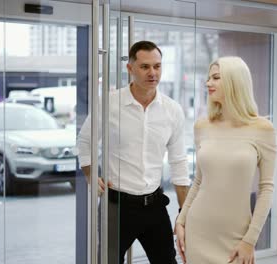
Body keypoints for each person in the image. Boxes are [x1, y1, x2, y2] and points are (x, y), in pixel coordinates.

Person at [77, 40, 191, 264]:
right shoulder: (109, 104)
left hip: (155, 205)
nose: (152, 73)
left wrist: (183, 212)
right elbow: (85, 140)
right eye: (145, 66)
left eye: (157, 66)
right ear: (130, 69)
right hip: (116, 208)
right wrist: (91, 174)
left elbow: (179, 162)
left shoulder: (172, 110)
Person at [174, 56, 277, 264]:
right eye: (208, 78)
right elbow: (199, 182)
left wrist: (250, 240)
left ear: (234, 81)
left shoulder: (263, 129)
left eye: (216, 77)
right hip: (198, 229)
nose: (208, 83)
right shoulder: (202, 127)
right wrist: (181, 221)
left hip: (237, 237)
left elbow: (266, 189)